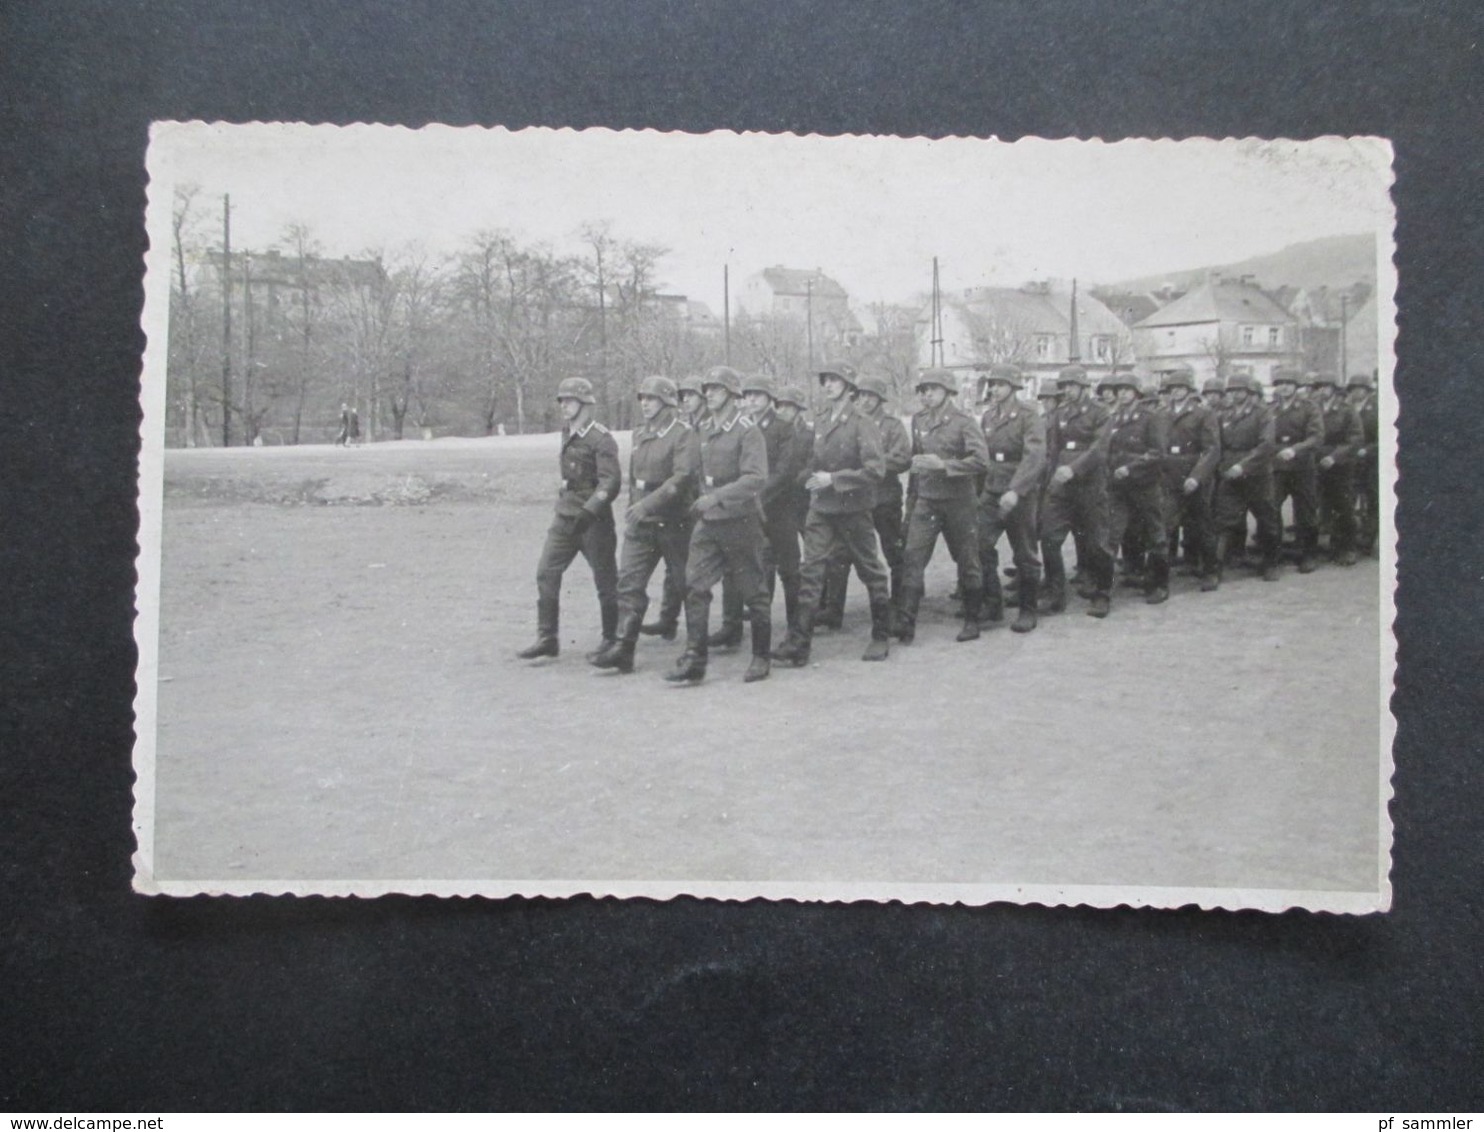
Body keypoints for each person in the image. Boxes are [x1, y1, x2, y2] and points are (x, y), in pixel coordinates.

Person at [771, 361, 893, 667]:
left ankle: (881, 636)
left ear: (849, 386)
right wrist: (806, 474)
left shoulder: (862, 422)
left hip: (853, 510)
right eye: (824, 380)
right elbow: (815, 458)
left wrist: (834, 480)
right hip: (822, 508)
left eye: (834, 380)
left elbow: (875, 469)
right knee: (811, 571)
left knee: (871, 570)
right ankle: (800, 643)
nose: (827, 385)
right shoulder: (822, 420)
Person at [667, 366, 771, 685]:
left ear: (731, 394)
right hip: (709, 522)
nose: (708, 394)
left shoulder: (746, 430)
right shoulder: (703, 427)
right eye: (706, 389)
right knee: (695, 585)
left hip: (739, 520)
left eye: (715, 389)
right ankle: (695, 658)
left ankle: (761, 657)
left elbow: (756, 478)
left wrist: (717, 497)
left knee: (753, 591)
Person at [590, 376, 698, 674]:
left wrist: (648, 505)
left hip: (674, 522)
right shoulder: (640, 433)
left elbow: (682, 477)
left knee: (686, 585)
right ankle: (624, 649)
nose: (645, 404)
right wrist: (634, 509)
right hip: (641, 523)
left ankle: (694, 651)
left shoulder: (683, 434)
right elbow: (634, 480)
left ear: (667, 402)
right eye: (642, 398)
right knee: (629, 583)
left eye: (651, 399)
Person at [516, 377, 621, 660]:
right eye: (562, 400)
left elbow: (611, 483)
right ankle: (547, 637)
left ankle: (612, 639)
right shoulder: (567, 432)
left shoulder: (601, 439)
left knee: (605, 580)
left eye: (570, 400)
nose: (564, 406)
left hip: (592, 521)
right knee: (546, 572)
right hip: (565, 517)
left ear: (586, 404)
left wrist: (590, 510)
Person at [710, 375, 807, 646]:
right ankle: (731, 627)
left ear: (770, 399)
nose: (751, 400)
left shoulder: (783, 428)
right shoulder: (740, 427)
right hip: (745, 510)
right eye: (748, 395)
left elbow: (786, 470)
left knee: (789, 570)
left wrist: (755, 494)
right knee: (737, 566)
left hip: (778, 510)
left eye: (758, 395)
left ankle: (796, 634)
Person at [895, 368, 990, 642]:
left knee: (967, 559)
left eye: (932, 390)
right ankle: (906, 623)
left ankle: (972, 620)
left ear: (948, 392)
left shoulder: (964, 422)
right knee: (913, 557)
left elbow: (981, 461)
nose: (926, 395)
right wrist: (911, 503)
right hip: (927, 501)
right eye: (923, 390)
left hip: (959, 501)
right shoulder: (919, 420)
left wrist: (945, 466)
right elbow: (916, 463)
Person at [817, 373, 911, 631]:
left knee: (892, 552)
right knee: (840, 556)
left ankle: (898, 607)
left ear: (881, 400)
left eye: (872, 396)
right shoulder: (850, 423)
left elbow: (903, 459)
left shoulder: (892, 426)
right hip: (856, 497)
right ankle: (833, 610)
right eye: (862, 396)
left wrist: (872, 463)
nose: (866, 401)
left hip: (885, 498)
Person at [1039, 364, 1115, 618]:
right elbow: (1052, 450)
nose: (1067, 391)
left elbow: (1099, 449)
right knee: (1049, 537)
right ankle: (1055, 593)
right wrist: (1050, 481)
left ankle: (1102, 594)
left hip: (1089, 486)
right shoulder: (1059, 414)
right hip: (1061, 488)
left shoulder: (1100, 413)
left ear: (1084, 387)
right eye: (1064, 386)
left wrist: (1073, 468)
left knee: (1097, 543)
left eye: (1071, 385)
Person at [975, 363, 1046, 632]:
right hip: (992, 490)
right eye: (992, 384)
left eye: (1001, 384)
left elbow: (1035, 456)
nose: (994, 389)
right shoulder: (989, 416)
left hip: (1020, 493)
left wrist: (1016, 490)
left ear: (1014, 387)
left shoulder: (1028, 415)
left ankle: (1028, 610)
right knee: (979, 545)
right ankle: (993, 604)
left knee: (1025, 552)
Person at [639, 375, 706, 640]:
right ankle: (669, 618)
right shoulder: (685, 424)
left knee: (685, 570)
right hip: (680, 500)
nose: (686, 399)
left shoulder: (702, 425)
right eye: (683, 395)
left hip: (694, 500)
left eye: (691, 395)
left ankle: (699, 633)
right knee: (674, 568)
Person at [1103, 373, 1171, 606]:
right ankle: (1114, 584)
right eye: (1119, 389)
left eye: (1126, 389)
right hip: (1118, 486)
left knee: (1155, 534)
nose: (1121, 393)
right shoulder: (1113, 418)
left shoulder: (1150, 418)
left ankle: (1159, 584)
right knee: (1114, 533)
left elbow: (1157, 452)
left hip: (1145, 485)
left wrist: (1131, 468)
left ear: (1136, 393)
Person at [1159, 365, 1222, 591]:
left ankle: (1211, 572)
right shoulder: (1163, 414)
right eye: (1172, 388)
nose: (1176, 392)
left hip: (1195, 477)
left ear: (1189, 390)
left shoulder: (1203, 413)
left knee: (1203, 527)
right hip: (1170, 478)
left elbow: (1212, 449)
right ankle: (1159, 581)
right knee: (1165, 527)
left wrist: (1197, 477)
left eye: (1180, 388)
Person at [1213, 372, 1281, 582]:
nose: (1235, 394)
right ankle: (1214, 569)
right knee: (1223, 521)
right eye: (1232, 391)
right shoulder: (1222, 414)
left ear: (1249, 392)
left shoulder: (1263, 414)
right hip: (1229, 473)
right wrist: (1223, 467)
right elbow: (1216, 444)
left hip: (1257, 474)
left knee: (1266, 519)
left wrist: (1243, 466)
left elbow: (1267, 445)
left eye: (1239, 390)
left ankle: (1270, 563)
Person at [1268, 367, 1324, 573]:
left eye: (1288, 383)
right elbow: (1264, 437)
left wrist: (1295, 450)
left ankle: (1308, 554)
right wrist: (1276, 451)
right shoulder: (1271, 409)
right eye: (1280, 383)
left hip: (1302, 466)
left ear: (1296, 387)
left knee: (1305, 511)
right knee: (1271, 509)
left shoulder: (1309, 408)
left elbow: (1316, 437)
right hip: (1278, 466)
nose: (1284, 387)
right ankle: (1274, 554)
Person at [1310, 372, 1364, 566]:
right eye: (1319, 387)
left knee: (1343, 506)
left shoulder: (1346, 410)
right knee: (1320, 504)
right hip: (1317, 462)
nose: (1322, 391)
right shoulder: (1314, 409)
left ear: (1334, 389)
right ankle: (1328, 545)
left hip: (1341, 465)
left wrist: (1334, 457)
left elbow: (1356, 439)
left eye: (1326, 387)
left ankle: (1348, 547)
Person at [1346, 373, 1380, 556]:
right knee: (1348, 500)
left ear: (1367, 390)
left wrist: (1367, 450)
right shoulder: (1347, 407)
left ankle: (1368, 540)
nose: (1357, 392)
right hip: (1351, 462)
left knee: (1372, 500)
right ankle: (1350, 540)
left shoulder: (1377, 408)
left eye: (1361, 388)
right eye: (1353, 389)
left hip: (1370, 462)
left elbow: (1383, 438)